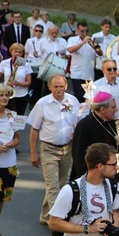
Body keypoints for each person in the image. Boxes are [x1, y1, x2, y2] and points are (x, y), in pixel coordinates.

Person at [28, 74, 80, 226]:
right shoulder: (42, 103)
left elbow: (78, 122)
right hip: (49, 149)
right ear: (49, 87)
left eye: (61, 86)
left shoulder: (73, 100)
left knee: (61, 185)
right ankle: (58, 221)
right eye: (55, 86)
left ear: (66, 85)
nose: (59, 89)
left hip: (67, 149)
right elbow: (34, 130)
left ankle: (45, 216)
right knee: (53, 187)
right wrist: (33, 153)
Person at [70, 92, 119, 179]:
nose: (116, 109)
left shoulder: (110, 122)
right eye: (113, 107)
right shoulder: (84, 125)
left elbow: (114, 150)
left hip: (108, 174)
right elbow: (78, 155)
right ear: (103, 109)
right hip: (90, 176)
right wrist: (86, 178)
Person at [0, 84, 21, 236]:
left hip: (8, 163)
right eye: (1, 95)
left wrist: (12, 144)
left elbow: (18, 138)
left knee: (0, 199)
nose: (5, 98)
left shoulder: (13, 115)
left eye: (7, 95)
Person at [66, 22, 97, 102]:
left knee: (90, 99)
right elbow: (70, 50)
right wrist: (83, 42)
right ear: (77, 30)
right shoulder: (72, 40)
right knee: (79, 98)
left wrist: (94, 46)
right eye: (82, 31)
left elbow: (100, 53)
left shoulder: (91, 41)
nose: (85, 33)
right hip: (77, 75)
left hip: (89, 75)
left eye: (86, 31)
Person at [0, 43, 32, 114]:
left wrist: (19, 84)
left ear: (22, 54)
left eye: (19, 52)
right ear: (11, 51)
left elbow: (29, 82)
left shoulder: (26, 64)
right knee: (9, 115)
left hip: (22, 95)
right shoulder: (4, 63)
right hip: (8, 95)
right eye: (15, 51)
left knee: (20, 118)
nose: (17, 54)